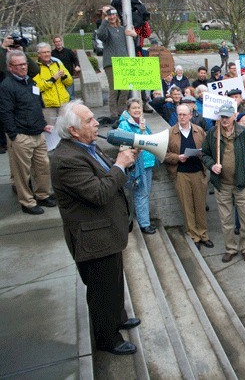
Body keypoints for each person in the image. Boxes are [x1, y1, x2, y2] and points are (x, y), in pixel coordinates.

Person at [50, 100, 140, 355]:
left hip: (107, 231)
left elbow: (105, 173)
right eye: (89, 120)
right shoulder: (66, 160)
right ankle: (108, 338)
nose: (97, 122)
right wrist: (120, 164)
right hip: (94, 237)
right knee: (102, 291)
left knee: (114, 281)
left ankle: (119, 317)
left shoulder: (86, 147)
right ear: (73, 131)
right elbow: (99, 193)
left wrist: (126, 160)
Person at [201, 104, 245, 263]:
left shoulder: (244, 134)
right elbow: (204, 154)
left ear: (234, 116)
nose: (224, 119)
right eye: (222, 116)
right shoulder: (212, 134)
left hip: (241, 184)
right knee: (226, 220)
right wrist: (212, 165)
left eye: (227, 116)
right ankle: (230, 248)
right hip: (222, 185)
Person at [0, 51, 57, 215]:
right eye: (19, 65)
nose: (24, 67)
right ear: (11, 68)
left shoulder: (31, 82)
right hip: (21, 136)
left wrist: (43, 124)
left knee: (43, 167)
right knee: (22, 173)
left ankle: (43, 194)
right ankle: (27, 202)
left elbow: (36, 106)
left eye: (25, 63)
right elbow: (5, 113)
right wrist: (14, 135)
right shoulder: (6, 86)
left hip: (38, 133)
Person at [164, 103, 212, 250]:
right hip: (181, 173)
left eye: (185, 114)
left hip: (198, 172)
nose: (182, 117)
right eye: (179, 114)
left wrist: (200, 153)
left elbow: (207, 150)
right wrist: (178, 157)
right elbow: (164, 154)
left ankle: (203, 234)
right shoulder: (170, 133)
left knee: (200, 205)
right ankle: (193, 235)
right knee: (187, 206)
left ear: (191, 115)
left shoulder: (199, 131)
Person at [117, 98, 157, 234]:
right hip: (137, 164)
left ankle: (144, 220)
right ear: (128, 110)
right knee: (141, 194)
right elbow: (125, 144)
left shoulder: (142, 122)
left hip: (147, 162)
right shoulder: (124, 125)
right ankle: (144, 224)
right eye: (134, 108)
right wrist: (141, 132)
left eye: (139, 108)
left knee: (145, 193)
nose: (137, 110)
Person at [97, 6, 137, 121]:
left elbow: (132, 44)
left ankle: (122, 111)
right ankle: (114, 114)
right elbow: (100, 35)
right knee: (114, 88)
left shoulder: (123, 29)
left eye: (113, 14)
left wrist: (134, 36)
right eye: (109, 15)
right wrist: (104, 19)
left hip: (124, 63)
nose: (112, 17)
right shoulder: (106, 29)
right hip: (111, 63)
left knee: (125, 89)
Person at [33, 42, 72, 125]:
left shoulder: (57, 64)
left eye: (48, 52)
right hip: (48, 106)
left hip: (63, 103)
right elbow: (38, 87)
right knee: (52, 132)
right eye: (44, 52)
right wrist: (53, 79)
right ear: (39, 54)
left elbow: (69, 82)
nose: (47, 54)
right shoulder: (36, 68)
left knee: (66, 129)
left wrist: (64, 76)